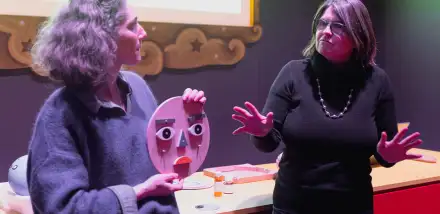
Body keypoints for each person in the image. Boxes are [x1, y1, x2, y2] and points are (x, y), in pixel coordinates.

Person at [231, 0, 425, 213]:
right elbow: (268, 144)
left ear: (358, 35)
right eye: (322, 24)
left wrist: (387, 157)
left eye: (338, 26)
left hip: (353, 205)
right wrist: (262, 133)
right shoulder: (293, 74)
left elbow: (384, 151)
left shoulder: (377, 82)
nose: (325, 32)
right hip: (294, 206)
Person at [26, 0, 206, 213]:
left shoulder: (137, 87)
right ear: (101, 40)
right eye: (132, 26)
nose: (143, 33)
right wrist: (138, 192)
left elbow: (168, 161)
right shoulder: (60, 114)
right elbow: (62, 208)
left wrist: (187, 118)